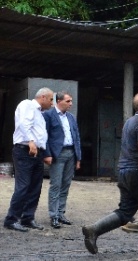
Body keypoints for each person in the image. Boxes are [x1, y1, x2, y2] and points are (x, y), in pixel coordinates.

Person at [82, 92, 138, 255]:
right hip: (136, 172)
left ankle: (94, 230)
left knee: (125, 211)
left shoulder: (130, 122)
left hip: (123, 171)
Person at [3, 87, 54, 232]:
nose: (52, 103)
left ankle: (27, 218)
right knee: (23, 186)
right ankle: (11, 219)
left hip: (36, 152)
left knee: (35, 187)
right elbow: (24, 124)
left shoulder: (40, 114)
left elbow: (41, 134)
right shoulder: (27, 105)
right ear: (43, 97)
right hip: (25, 150)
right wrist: (31, 141)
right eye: (51, 99)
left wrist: (42, 151)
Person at [43, 91, 81, 229]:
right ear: (58, 101)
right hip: (57, 154)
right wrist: (46, 154)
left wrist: (78, 157)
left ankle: (61, 213)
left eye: (71, 101)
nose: (71, 104)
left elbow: (76, 137)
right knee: (56, 185)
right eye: (68, 101)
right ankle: (53, 216)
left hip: (71, 153)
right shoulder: (48, 115)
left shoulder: (71, 117)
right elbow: (44, 136)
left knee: (66, 184)